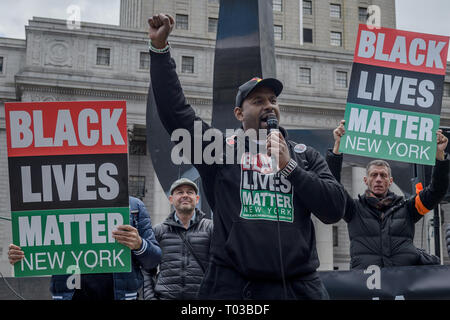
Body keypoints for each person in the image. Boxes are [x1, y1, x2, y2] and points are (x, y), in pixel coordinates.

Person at [147, 13, 346, 300]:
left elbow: (334, 209)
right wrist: (160, 50)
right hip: (235, 287)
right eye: (258, 101)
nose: (269, 106)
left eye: (273, 100)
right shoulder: (219, 151)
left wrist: (289, 168)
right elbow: (176, 113)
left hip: (299, 286)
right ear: (240, 114)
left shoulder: (304, 156)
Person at [326, 120, 449, 269]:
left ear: (390, 181)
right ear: (366, 180)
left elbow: (436, 192)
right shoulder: (353, 209)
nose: (378, 179)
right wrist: (337, 147)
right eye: (374, 175)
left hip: (403, 284)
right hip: (364, 285)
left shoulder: (408, 208)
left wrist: (439, 154)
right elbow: (332, 189)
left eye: (383, 175)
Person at [7, 196, 161, 300]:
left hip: (119, 295)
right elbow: (37, 250)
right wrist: (20, 255)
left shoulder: (133, 206)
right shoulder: (55, 204)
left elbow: (153, 261)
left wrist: (139, 244)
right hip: (70, 294)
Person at [143, 178, 213, 300]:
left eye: (190, 192)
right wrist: (150, 297)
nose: (185, 195)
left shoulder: (211, 228)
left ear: (197, 199)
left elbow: (220, 267)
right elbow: (146, 269)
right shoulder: (158, 231)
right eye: (180, 192)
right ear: (171, 199)